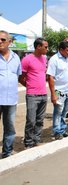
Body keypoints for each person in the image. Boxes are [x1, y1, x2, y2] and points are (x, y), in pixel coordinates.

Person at [19, 38, 49, 149]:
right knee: (31, 120)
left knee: (40, 120)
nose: (47, 49)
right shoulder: (27, 59)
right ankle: (28, 142)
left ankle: (36, 140)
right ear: (38, 47)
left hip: (43, 94)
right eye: (45, 47)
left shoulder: (44, 59)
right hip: (32, 95)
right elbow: (21, 77)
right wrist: (29, 86)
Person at [47, 41, 68, 140]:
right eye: (67, 50)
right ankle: (56, 131)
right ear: (61, 50)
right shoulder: (54, 59)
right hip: (59, 90)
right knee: (58, 111)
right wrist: (54, 94)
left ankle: (62, 129)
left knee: (64, 111)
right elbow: (50, 77)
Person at [0, 30, 22, 158]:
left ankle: (7, 152)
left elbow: (18, 76)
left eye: (3, 39)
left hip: (11, 99)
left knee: (10, 127)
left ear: (9, 42)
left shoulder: (16, 57)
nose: (0, 42)